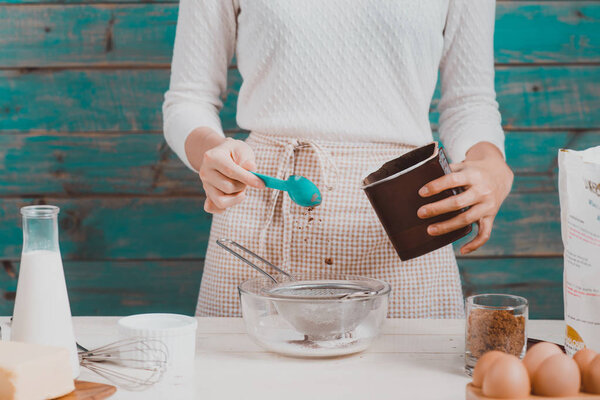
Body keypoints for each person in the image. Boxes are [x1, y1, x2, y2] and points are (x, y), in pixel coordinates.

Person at [163, 0, 513, 318]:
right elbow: (188, 99)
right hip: (262, 207)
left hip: (404, 216)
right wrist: (211, 150)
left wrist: (491, 162)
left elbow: (469, 102)